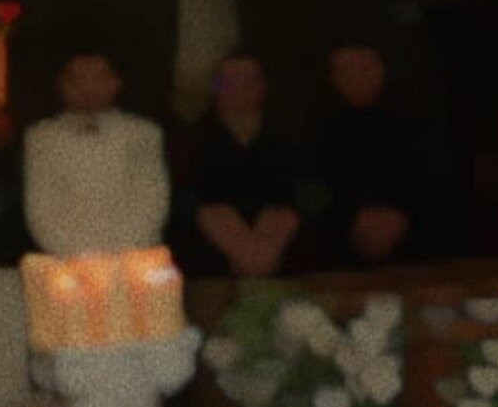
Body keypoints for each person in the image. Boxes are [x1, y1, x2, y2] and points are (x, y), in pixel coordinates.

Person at [22, 52, 169, 256]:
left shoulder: (143, 134)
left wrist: (120, 253)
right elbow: (41, 211)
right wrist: (81, 256)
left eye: (99, 78)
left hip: (135, 259)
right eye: (78, 79)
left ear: (116, 82)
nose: (88, 88)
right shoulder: (41, 138)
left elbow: (152, 202)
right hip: (66, 262)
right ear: (62, 84)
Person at [188, 53, 303, 278]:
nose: (239, 90)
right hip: (210, 245)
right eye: (228, 82)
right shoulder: (190, 139)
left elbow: (301, 191)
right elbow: (187, 198)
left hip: (279, 237)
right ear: (215, 88)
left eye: (249, 81)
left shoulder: (288, 137)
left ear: (263, 86)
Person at [309, 43, 411, 267]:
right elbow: (313, 190)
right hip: (340, 244)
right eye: (346, 71)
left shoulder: (414, 123)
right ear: (333, 78)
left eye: (366, 68)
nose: (357, 78)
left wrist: (400, 216)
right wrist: (350, 218)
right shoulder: (315, 131)